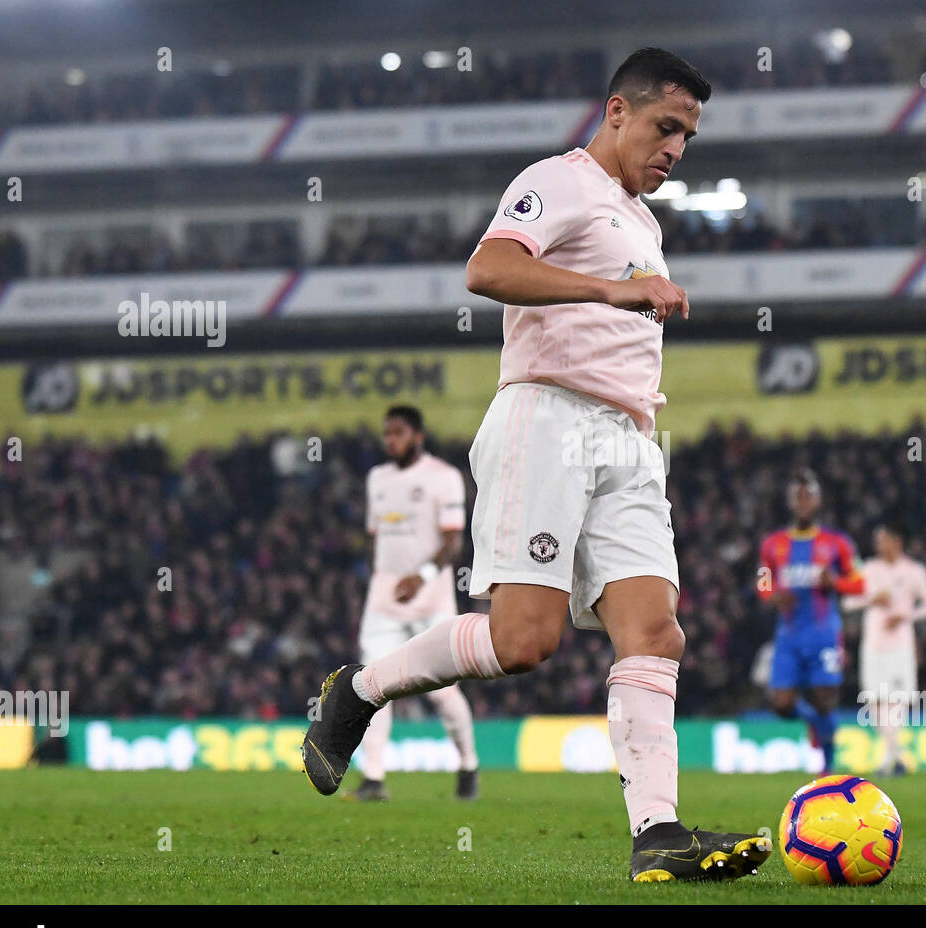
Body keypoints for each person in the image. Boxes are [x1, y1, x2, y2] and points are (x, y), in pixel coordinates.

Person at [303, 48, 771, 883]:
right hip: (547, 420)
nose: (676, 148)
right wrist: (610, 292)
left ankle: (657, 833)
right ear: (617, 111)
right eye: (667, 127)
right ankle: (358, 690)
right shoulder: (558, 180)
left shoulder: (644, 220)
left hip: (629, 440)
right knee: (525, 643)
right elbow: (489, 267)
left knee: (656, 631)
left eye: (689, 136)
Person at [343, 406, 479, 802]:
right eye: (387, 434)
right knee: (372, 686)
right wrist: (383, 574)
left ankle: (468, 765)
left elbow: (453, 543)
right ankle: (373, 779)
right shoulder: (377, 479)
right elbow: (375, 536)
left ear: (418, 436)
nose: (391, 441)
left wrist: (419, 575)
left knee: (442, 692)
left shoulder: (444, 477)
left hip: (430, 596)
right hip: (385, 598)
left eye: (399, 433)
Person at [757, 470, 865, 774]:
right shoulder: (773, 544)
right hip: (789, 636)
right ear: (790, 502)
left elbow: (859, 582)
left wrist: (837, 583)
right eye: (797, 497)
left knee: (825, 698)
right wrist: (772, 595)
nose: (803, 502)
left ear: (817, 500)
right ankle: (814, 723)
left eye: (808, 496)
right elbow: (762, 580)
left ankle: (828, 768)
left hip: (824, 634)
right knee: (781, 703)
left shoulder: (836, 542)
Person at [842, 524, 926, 776]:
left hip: (900, 646)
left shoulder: (914, 571)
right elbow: (846, 602)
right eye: (877, 541)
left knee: (896, 702)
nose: (879, 545)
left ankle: (889, 760)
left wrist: (906, 615)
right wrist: (871, 600)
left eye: (884, 539)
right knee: (875, 703)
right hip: (873, 646)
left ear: (897, 541)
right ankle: (896, 755)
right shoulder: (867, 569)